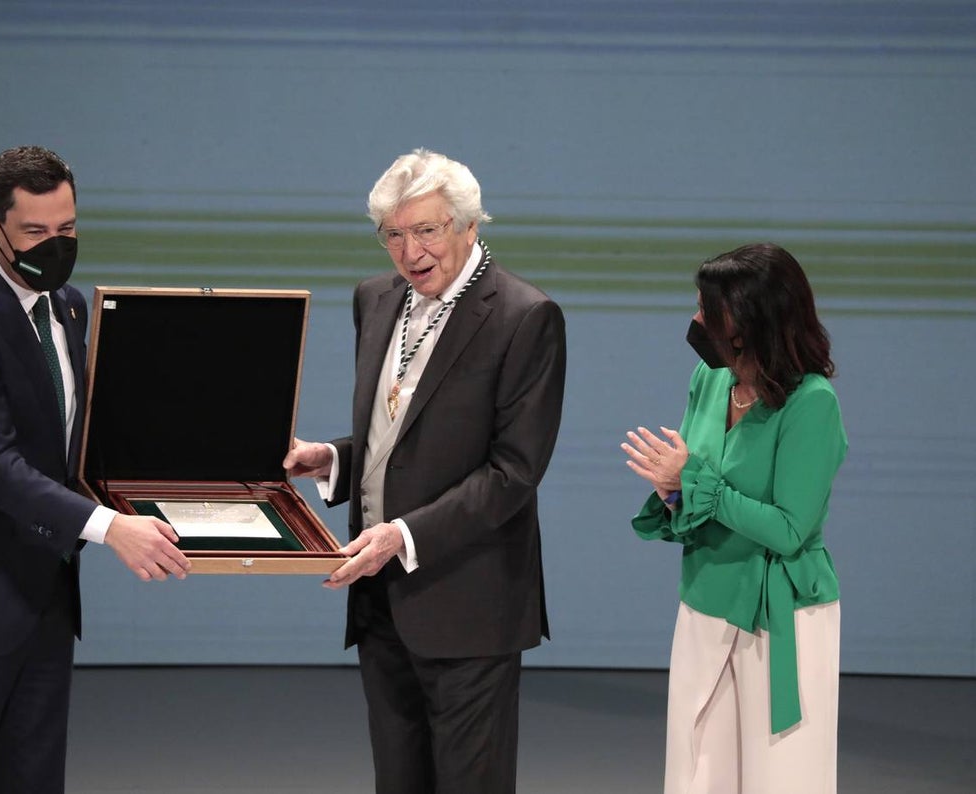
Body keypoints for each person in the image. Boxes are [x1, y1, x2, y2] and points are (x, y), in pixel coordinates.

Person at [0, 145, 192, 794]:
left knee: (32, 780)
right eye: (35, 232)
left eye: (67, 230)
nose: (55, 247)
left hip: (45, 595)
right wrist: (111, 527)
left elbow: (75, 445)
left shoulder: (69, 307)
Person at [283, 148, 566, 794]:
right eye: (395, 234)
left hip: (471, 606)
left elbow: (513, 473)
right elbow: (405, 436)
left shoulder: (526, 317)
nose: (411, 251)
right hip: (382, 605)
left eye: (428, 230)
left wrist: (401, 537)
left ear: (470, 226)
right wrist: (335, 459)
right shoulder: (376, 300)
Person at [621, 242, 847, 794]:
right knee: (698, 771)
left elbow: (789, 529)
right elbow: (693, 495)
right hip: (706, 599)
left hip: (782, 614)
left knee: (782, 777)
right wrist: (673, 493)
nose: (696, 319)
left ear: (748, 321)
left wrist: (694, 484)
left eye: (706, 309)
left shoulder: (811, 403)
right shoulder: (710, 380)